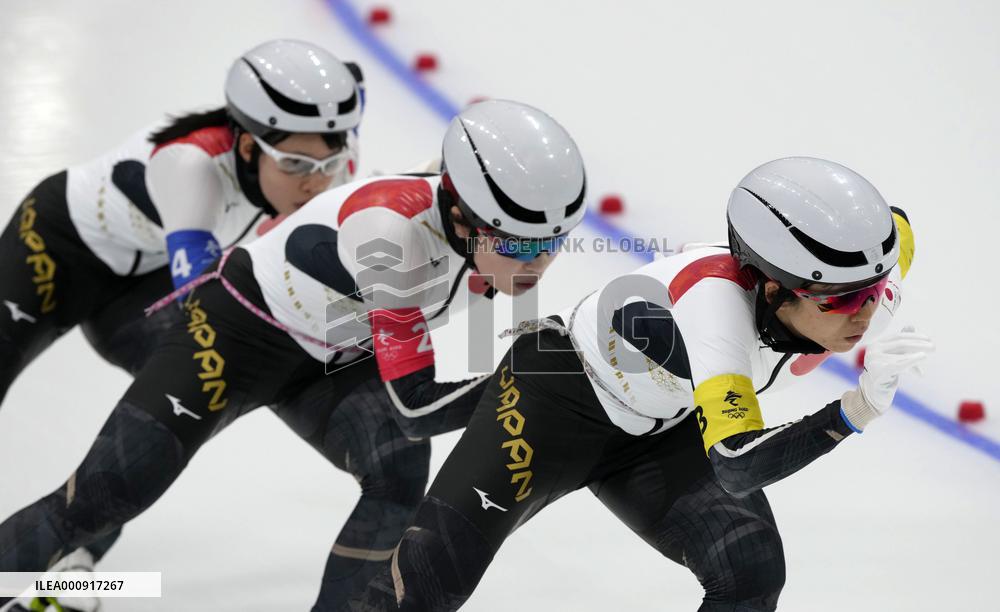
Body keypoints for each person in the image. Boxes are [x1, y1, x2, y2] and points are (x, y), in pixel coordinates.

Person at [0, 99, 589, 611]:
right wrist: (528, 375)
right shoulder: (389, 234)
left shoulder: (491, 238)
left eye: (554, 243)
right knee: (99, 500)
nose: (538, 265)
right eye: (521, 247)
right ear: (461, 218)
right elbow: (417, 406)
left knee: (396, 476)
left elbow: (454, 387)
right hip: (236, 334)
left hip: (332, 353)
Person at [341, 157, 934, 611]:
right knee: (425, 585)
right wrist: (855, 410)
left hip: (663, 424)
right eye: (841, 300)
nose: (864, 312)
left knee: (749, 569)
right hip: (553, 399)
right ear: (774, 288)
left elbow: (895, 230)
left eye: (876, 292)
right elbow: (737, 465)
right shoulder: (716, 307)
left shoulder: (866, 273)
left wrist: (868, 283)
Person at [0, 38, 364, 611]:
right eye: (294, 164)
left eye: (327, 165)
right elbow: (203, 296)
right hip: (58, 249)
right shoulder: (190, 166)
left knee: (171, 411)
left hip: (142, 282)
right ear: (247, 145)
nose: (315, 183)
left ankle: (70, 568)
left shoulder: (330, 156)